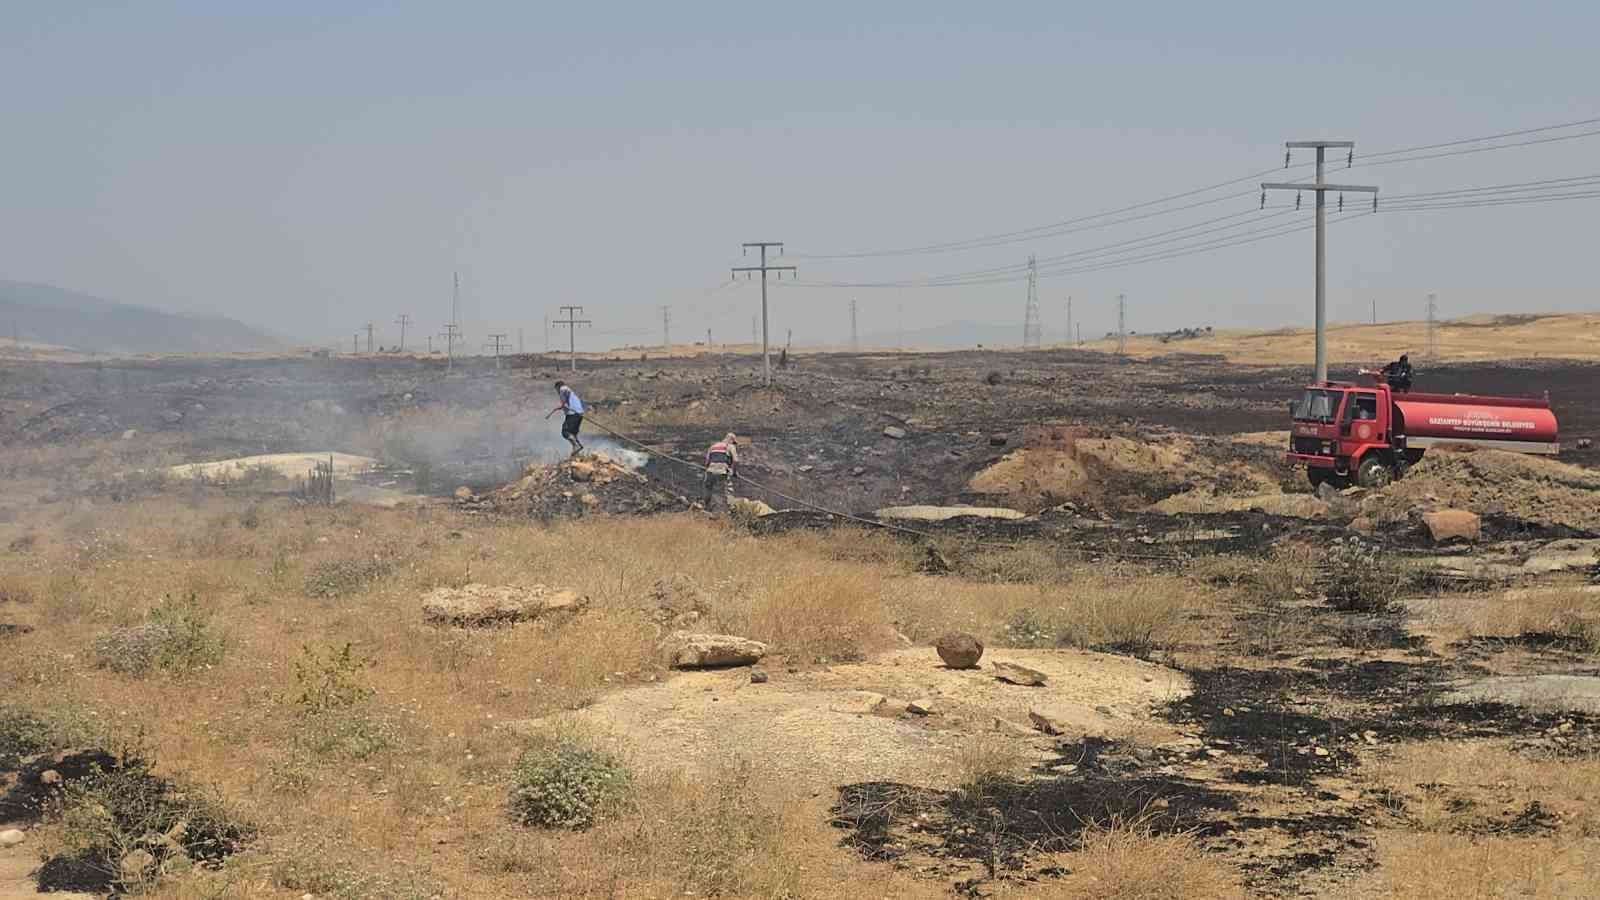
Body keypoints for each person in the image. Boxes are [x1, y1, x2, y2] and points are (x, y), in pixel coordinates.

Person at [545, 380, 585, 455]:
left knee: (565, 432)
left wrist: (561, 405)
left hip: (573, 413)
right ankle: (576, 452)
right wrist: (562, 405)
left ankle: (577, 446)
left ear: (557, 387)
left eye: (556, 389)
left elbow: (565, 396)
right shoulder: (568, 390)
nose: (557, 391)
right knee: (573, 433)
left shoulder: (563, 389)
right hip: (579, 413)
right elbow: (567, 400)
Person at [703, 432, 740, 511]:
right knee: (728, 490)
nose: (734, 444)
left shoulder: (712, 446)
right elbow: (736, 460)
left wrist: (708, 470)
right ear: (731, 440)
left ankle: (706, 507)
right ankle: (732, 510)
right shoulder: (730, 446)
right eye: (734, 442)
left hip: (710, 470)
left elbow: (706, 462)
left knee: (708, 488)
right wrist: (734, 472)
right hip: (722, 471)